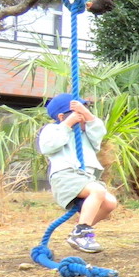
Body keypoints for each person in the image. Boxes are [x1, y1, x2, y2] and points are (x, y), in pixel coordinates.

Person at [39, 93, 118, 253]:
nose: (84, 119)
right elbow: (48, 146)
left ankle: (80, 230)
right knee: (98, 191)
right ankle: (82, 232)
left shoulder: (86, 135)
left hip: (86, 179)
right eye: (79, 115)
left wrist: (86, 114)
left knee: (110, 203)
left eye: (85, 113)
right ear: (62, 117)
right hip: (66, 177)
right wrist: (68, 124)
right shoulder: (53, 129)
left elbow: (98, 130)